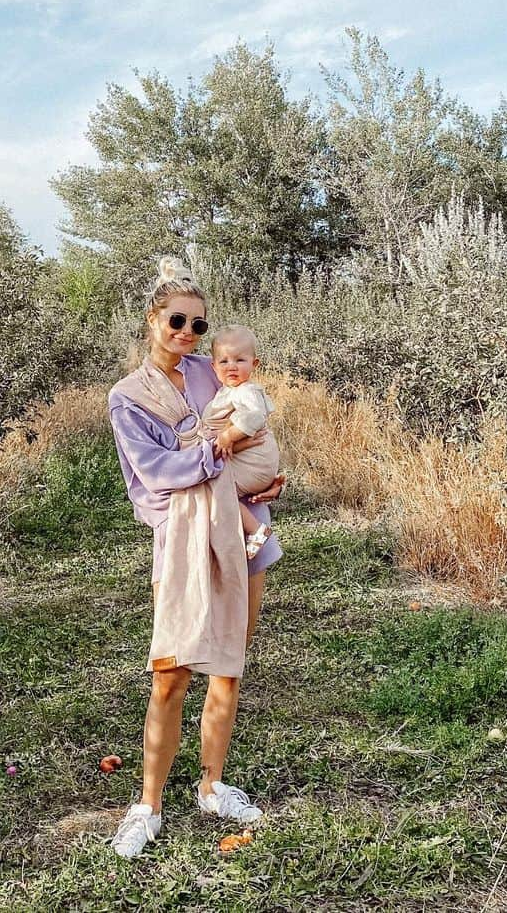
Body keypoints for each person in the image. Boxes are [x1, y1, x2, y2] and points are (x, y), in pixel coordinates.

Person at [107, 258, 285, 859]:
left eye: (198, 325)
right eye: (177, 319)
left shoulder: (212, 376)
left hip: (244, 530)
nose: (187, 332)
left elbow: (252, 426)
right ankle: (148, 803)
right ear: (153, 318)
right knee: (171, 673)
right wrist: (219, 453)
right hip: (181, 539)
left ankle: (212, 784)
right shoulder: (128, 398)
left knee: (228, 665)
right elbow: (157, 472)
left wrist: (264, 479)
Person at [206, 324, 280, 561]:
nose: (232, 367)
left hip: (255, 462)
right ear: (214, 366)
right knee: (214, 487)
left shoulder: (245, 390)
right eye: (224, 361)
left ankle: (255, 529)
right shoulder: (228, 391)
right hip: (253, 461)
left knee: (215, 488)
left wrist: (228, 435)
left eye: (240, 360)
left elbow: (254, 416)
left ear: (254, 364)